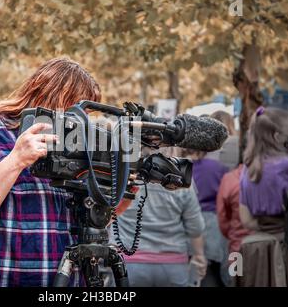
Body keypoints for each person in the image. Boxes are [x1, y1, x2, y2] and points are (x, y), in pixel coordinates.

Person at [0, 57, 131, 287]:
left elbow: (90, 222)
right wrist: (16, 159)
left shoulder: (76, 148)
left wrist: (124, 188)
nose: (82, 122)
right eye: (77, 109)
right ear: (51, 95)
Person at [111, 158, 207, 287]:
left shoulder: (123, 176)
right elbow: (195, 227)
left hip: (128, 266)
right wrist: (199, 256)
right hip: (173, 266)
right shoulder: (181, 179)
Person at [238, 106, 288, 286]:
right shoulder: (284, 166)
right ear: (276, 136)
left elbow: (246, 220)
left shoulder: (247, 169)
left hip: (258, 253)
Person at [186, 147, 229, 287]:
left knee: (192, 268)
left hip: (189, 223)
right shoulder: (219, 168)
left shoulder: (181, 167)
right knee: (214, 269)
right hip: (213, 222)